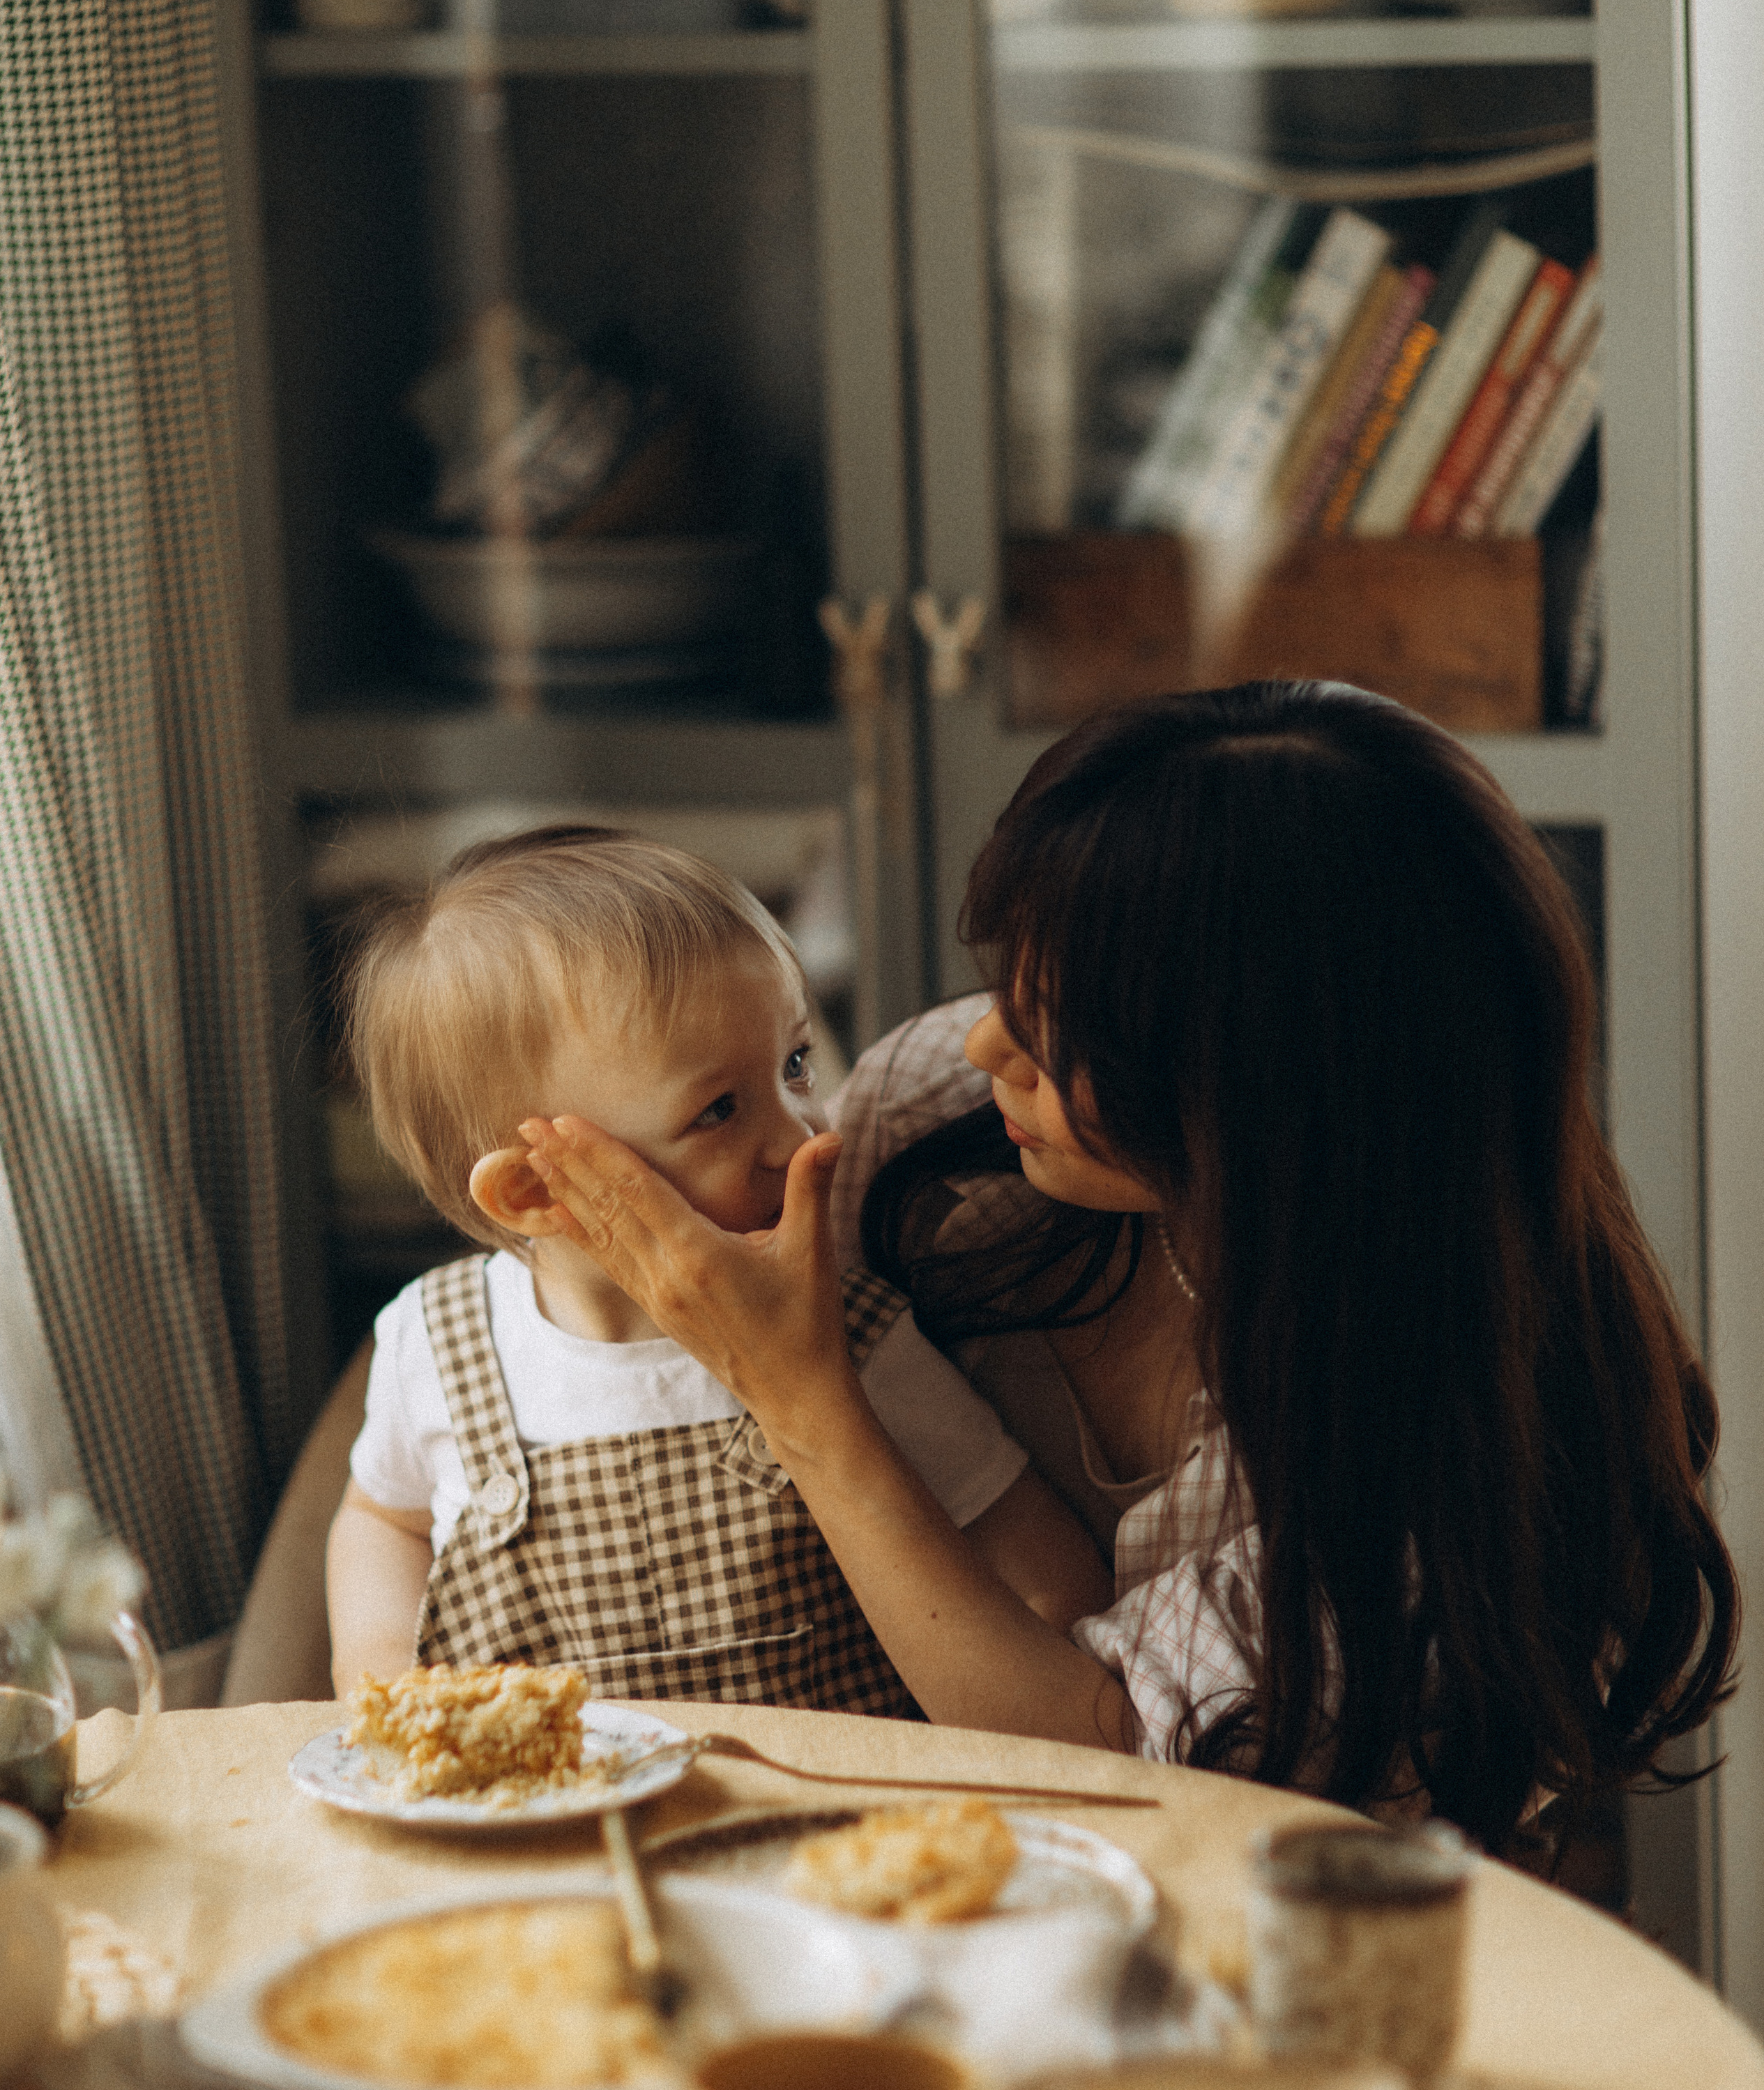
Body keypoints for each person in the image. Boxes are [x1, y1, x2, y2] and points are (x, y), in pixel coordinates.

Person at [517, 685, 1740, 1855]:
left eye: (1064, 1030)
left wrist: (801, 1399)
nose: (986, 1042)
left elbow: (1101, 1773)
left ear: (1270, 1100)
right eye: (1010, 980)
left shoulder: (1470, 1452)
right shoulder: (942, 1122)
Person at [322, 825, 1108, 1702]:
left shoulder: (850, 1339)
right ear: (533, 1191)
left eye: (795, 1064)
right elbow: (383, 1518)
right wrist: (378, 1671)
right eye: (719, 1110)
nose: (802, 1136)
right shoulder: (432, 1345)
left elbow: (1052, 1581)